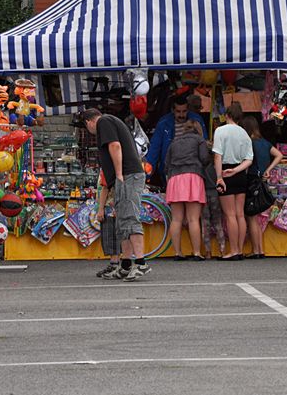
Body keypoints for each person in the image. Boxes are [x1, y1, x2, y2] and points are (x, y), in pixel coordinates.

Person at [82, 108, 151, 281]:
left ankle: (141, 263)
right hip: (123, 177)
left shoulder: (103, 122)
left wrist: (119, 174)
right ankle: (126, 264)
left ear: (88, 122)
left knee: (129, 217)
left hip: (127, 175)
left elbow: (115, 145)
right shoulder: (111, 121)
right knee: (121, 222)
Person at [212, 102, 253, 260]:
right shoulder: (244, 134)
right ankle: (240, 249)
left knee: (229, 215)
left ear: (227, 115)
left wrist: (220, 177)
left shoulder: (220, 131)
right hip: (240, 173)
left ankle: (233, 250)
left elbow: (217, 155)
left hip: (225, 171)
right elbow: (249, 159)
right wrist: (236, 170)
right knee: (240, 215)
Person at [165, 120, 210, 260]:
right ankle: (196, 252)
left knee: (176, 219)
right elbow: (204, 158)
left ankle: (177, 253)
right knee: (193, 219)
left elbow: (166, 164)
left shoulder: (174, 142)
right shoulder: (199, 140)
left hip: (175, 178)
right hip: (193, 177)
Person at [241, 115, 283, 259]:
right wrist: (268, 169)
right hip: (262, 181)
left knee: (251, 217)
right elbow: (279, 155)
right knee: (257, 217)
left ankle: (256, 250)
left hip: (252, 180)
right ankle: (260, 249)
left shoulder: (248, 143)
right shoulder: (264, 142)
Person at [145, 94, 207, 186]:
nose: (181, 115)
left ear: (188, 109)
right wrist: (146, 175)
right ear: (173, 110)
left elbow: (204, 145)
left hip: (194, 171)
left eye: (184, 111)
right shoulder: (164, 123)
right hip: (171, 170)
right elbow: (154, 149)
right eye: (178, 111)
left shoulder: (197, 121)